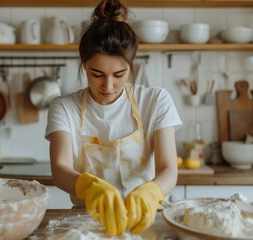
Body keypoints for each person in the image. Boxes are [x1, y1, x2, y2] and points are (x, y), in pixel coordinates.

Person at [45, 0, 182, 237]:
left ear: (131, 65)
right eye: (97, 74)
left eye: (119, 74)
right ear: (84, 65)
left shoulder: (156, 101)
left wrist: (151, 191)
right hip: (87, 224)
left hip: (146, 219)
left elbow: (169, 168)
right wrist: (90, 187)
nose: (108, 86)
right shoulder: (64, 107)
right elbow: (59, 169)